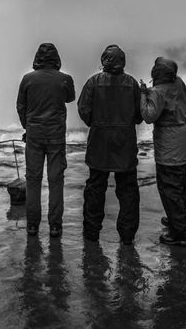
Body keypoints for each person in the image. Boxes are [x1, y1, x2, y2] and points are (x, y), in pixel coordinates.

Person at [77, 44, 142, 245]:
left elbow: (83, 109)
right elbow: (140, 116)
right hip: (125, 143)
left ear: (104, 60)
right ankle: (127, 236)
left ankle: (91, 233)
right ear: (122, 62)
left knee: (95, 189)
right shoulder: (131, 84)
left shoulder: (93, 82)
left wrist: (95, 123)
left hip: (99, 142)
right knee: (128, 191)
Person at [16, 42, 75, 238]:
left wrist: (28, 126)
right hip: (56, 136)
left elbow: (20, 106)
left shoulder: (27, 79)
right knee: (56, 181)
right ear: (56, 58)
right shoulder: (65, 79)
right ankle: (55, 226)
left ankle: (32, 225)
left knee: (33, 180)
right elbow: (69, 99)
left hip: (34, 135)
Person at [139, 57, 186, 247]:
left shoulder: (158, 91)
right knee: (180, 186)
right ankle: (174, 220)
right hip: (185, 142)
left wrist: (144, 95)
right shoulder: (179, 83)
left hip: (170, 148)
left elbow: (148, 116)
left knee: (169, 189)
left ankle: (180, 234)